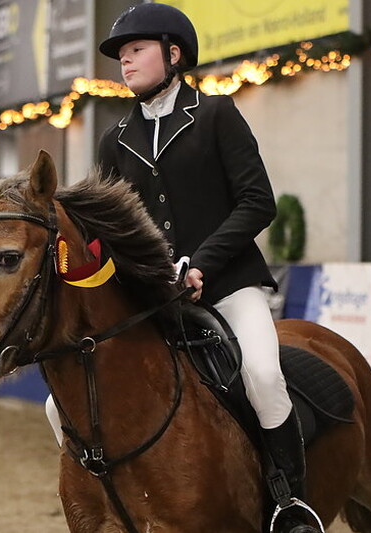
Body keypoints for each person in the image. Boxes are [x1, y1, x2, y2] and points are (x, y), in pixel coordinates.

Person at [90, 4, 319, 533]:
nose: (126, 61)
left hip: (228, 285)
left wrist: (203, 265)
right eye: (121, 54)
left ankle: (291, 506)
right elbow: (105, 231)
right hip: (153, 298)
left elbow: (258, 202)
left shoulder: (216, 114)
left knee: (263, 376)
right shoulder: (113, 138)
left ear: (174, 54)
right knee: (65, 405)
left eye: (137, 50)